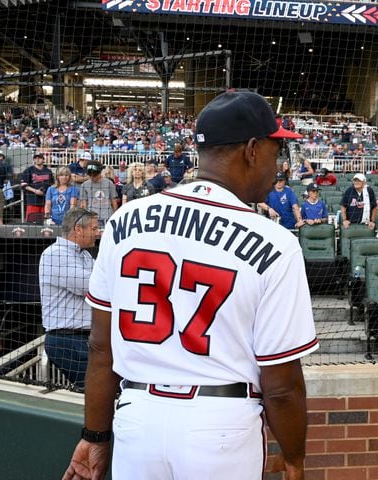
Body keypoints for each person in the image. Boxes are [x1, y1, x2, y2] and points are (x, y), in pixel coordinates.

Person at [62, 90, 318, 480]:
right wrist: (295, 460)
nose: (277, 163)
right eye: (275, 149)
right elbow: (281, 385)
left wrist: (95, 436)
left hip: (136, 420)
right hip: (221, 424)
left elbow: (101, 346)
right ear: (252, 149)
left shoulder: (125, 219)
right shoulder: (274, 241)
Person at [39, 208, 99, 388]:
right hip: (66, 339)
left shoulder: (85, 255)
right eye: (94, 228)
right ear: (78, 229)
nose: (97, 233)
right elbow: (91, 286)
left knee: (101, 389)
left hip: (83, 338)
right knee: (97, 389)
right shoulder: (55, 253)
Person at [79, 160, 118, 226]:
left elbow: (114, 201)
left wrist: (116, 216)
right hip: (92, 217)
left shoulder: (109, 183)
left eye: (94, 175)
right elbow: (83, 205)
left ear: (100, 172)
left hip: (107, 216)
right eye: (90, 174)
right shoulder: (84, 185)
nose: (92, 177)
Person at [20, 152, 54, 222]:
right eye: (35, 158)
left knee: (46, 222)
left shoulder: (48, 171)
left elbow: (52, 185)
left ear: (43, 159)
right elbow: (23, 185)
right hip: (33, 201)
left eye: (39, 158)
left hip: (46, 201)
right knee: (32, 222)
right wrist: (35, 191)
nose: (37, 159)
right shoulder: (28, 170)